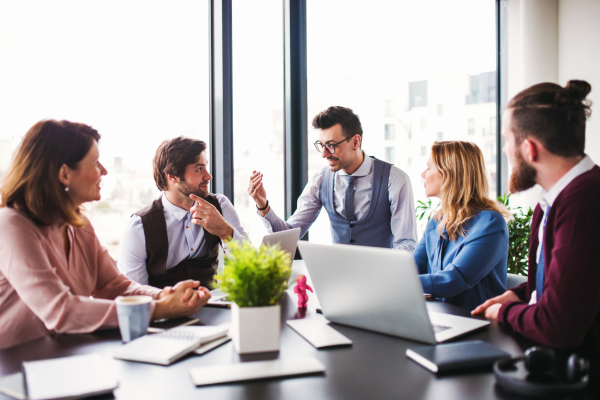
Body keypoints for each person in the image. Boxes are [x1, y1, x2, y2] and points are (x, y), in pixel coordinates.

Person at [0, 120, 210, 350]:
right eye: (95, 162)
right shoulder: (11, 225)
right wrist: (159, 309)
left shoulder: (79, 224)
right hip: (13, 367)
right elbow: (60, 310)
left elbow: (114, 285)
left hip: (64, 355)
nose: (104, 171)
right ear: (64, 174)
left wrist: (165, 296)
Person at [472, 80, 600, 359]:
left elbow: (560, 327)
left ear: (530, 149)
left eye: (507, 140)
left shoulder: (583, 202)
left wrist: (504, 311)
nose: (505, 150)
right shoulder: (555, 199)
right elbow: (568, 284)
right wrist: (521, 294)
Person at [248, 106, 417, 250]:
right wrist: (263, 205)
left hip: (383, 281)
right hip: (337, 281)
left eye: (331, 145)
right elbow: (289, 235)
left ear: (355, 142)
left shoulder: (395, 180)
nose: (323, 154)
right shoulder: (321, 180)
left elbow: (407, 244)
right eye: (321, 145)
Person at [118, 136, 245, 288]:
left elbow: (253, 266)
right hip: (164, 310)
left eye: (206, 167)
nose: (208, 176)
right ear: (172, 177)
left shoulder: (220, 205)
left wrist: (226, 232)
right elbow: (135, 294)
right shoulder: (138, 228)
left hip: (215, 307)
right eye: (199, 169)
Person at [414, 141, 509, 310]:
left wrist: (397, 281)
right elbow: (413, 266)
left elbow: (455, 280)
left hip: (477, 324)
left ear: (449, 173)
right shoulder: (436, 221)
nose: (423, 174)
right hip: (438, 317)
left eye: (428, 167)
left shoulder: (491, 224)